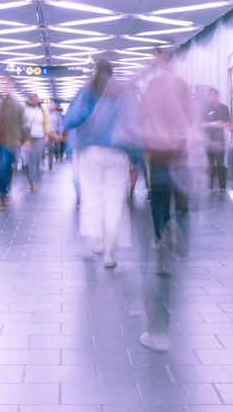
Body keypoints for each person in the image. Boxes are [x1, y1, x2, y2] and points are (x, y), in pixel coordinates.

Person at [64, 58, 141, 269]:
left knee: (93, 197)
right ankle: (110, 252)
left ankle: (98, 239)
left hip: (91, 151)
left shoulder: (88, 90)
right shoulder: (124, 92)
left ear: (95, 69)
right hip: (118, 152)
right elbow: (135, 124)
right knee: (115, 200)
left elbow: (70, 120)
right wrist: (137, 158)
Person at [142, 47, 193, 276]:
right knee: (174, 199)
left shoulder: (153, 86)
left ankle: (161, 237)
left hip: (159, 151)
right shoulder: (180, 85)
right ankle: (169, 234)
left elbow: (143, 116)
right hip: (174, 151)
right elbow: (188, 117)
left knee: (159, 199)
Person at [0, 92, 24, 209]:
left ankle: (3, 193)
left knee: (5, 167)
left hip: (10, 143)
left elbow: (22, 124)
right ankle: (3, 193)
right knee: (2, 169)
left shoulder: (16, 108)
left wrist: (21, 139)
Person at [201, 87, 231, 192]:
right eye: (209, 95)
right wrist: (212, 124)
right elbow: (201, 124)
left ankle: (222, 187)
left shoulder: (224, 108)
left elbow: (228, 123)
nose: (210, 97)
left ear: (217, 95)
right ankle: (209, 187)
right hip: (208, 140)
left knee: (220, 163)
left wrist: (221, 125)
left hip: (220, 140)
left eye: (212, 94)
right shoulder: (205, 109)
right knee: (209, 163)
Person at [22, 93, 49, 191]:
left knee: (38, 158)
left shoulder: (41, 110)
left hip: (40, 137)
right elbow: (23, 126)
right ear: (29, 100)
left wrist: (46, 135)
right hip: (30, 138)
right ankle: (31, 182)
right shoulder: (25, 111)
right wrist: (27, 139)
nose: (34, 101)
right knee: (32, 160)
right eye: (32, 99)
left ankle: (37, 178)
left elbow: (45, 123)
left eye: (36, 99)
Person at [47, 104, 65, 170]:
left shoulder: (57, 114)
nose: (50, 107)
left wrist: (60, 134)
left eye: (52, 106)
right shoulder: (45, 114)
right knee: (50, 149)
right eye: (49, 106)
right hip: (48, 133)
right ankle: (50, 164)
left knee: (57, 146)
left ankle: (57, 155)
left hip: (56, 133)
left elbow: (60, 125)